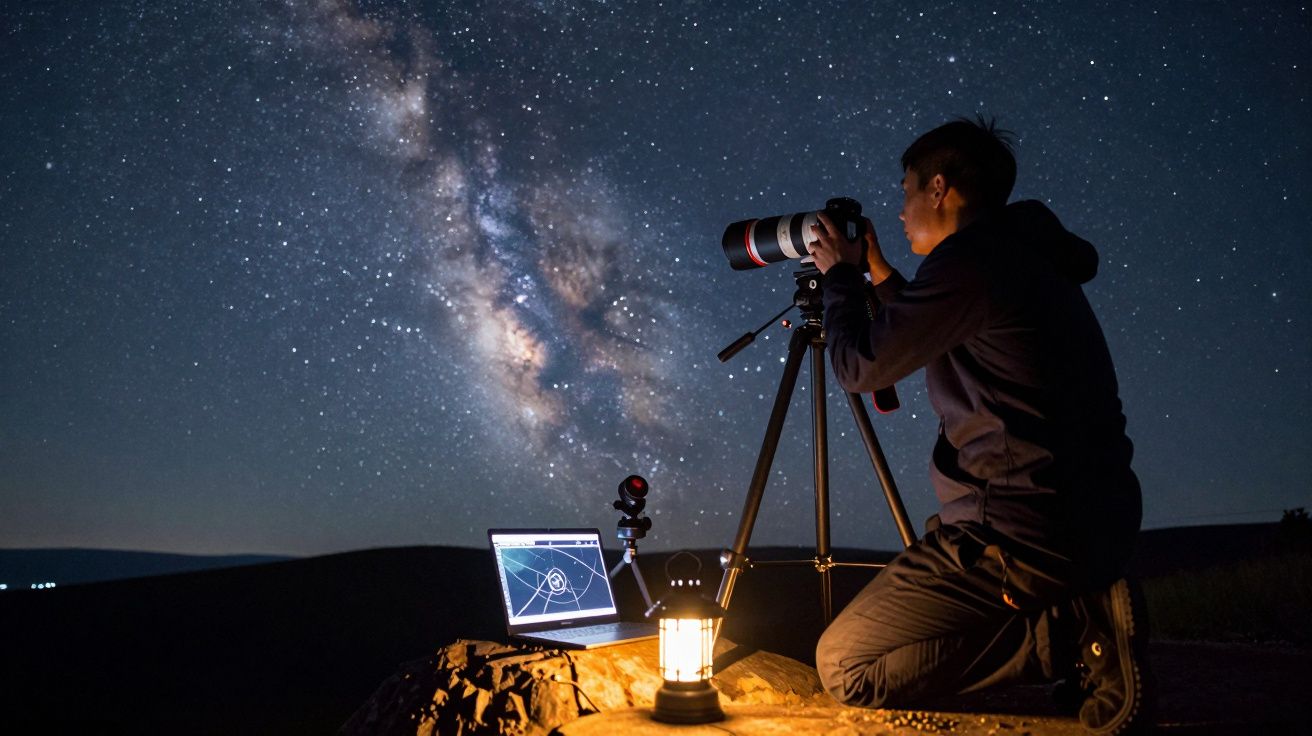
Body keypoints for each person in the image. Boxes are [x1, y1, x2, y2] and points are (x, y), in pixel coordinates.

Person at [806, 117, 1153, 735]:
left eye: (907, 190)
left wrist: (838, 278)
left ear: (938, 187)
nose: (903, 207)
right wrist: (878, 274)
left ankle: (1067, 631)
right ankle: (1073, 608)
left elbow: (858, 365)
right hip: (1090, 518)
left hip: (1018, 532)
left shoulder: (971, 263)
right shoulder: (1016, 256)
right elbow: (937, 325)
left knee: (845, 666)